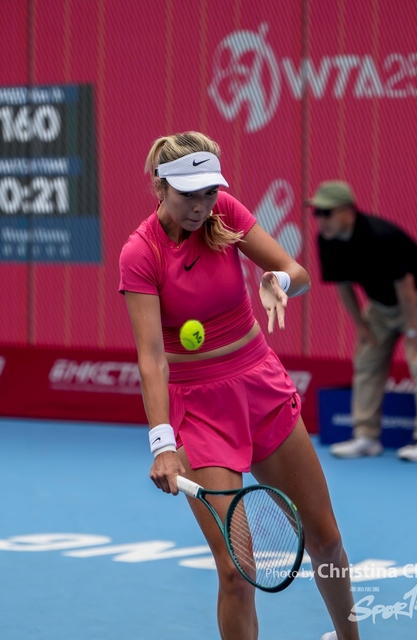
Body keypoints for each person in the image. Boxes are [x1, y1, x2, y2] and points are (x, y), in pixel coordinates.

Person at [119, 132, 360, 640]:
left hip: (259, 390)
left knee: (327, 540)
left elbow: (295, 272)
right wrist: (162, 444)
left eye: (209, 192)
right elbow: (152, 359)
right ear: (160, 188)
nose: (201, 206)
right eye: (189, 195)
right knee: (236, 570)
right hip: (199, 411)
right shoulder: (140, 253)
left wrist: (278, 282)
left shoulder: (223, 213)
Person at [309, 180, 417, 463]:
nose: (321, 219)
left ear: (349, 211)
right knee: (367, 361)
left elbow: (405, 285)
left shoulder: (380, 236)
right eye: (317, 213)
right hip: (381, 305)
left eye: (327, 212)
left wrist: (413, 329)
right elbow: (343, 285)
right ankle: (367, 437)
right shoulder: (326, 240)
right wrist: (361, 325)